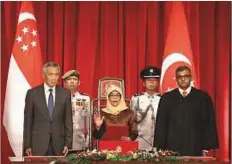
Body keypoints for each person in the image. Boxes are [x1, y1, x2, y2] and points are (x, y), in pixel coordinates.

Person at [154, 65, 219, 156]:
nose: (183, 79)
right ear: (176, 79)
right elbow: (161, 123)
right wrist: (160, 145)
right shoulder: (167, 98)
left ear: (191, 77)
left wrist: (206, 146)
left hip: (195, 144)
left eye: (186, 76)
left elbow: (208, 122)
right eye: (179, 77)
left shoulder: (202, 97)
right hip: (172, 145)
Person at [23, 61, 73, 156]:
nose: (54, 78)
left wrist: (68, 143)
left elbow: (68, 121)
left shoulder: (65, 94)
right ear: (43, 75)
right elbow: (28, 121)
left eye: (56, 75)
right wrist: (27, 145)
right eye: (50, 74)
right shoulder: (32, 94)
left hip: (59, 145)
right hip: (38, 144)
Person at [131, 66, 161, 151]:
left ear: (158, 83)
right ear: (143, 83)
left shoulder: (162, 99)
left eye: (154, 80)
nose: (151, 82)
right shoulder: (136, 98)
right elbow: (132, 120)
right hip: (141, 140)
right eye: (148, 80)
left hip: (157, 141)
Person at [62, 70, 90, 150]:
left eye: (74, 79)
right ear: (64, 83)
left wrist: (88, 141)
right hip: (61, 139)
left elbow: (88, 122)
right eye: (69, 79)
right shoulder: (58, 99)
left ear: (79, 82)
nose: (72, 81)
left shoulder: (84, 99)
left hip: (78, 139)